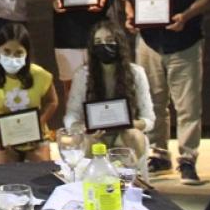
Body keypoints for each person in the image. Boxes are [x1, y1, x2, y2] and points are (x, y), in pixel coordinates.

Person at [119, 0, 210, 185]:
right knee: (153, 104)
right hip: (148, 44)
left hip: (185, 42)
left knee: (188, 106)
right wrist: (129, 15)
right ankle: (159, 155)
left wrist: (187, 15)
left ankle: (188, 160)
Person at [63, 20, 155, 164]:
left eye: (109, 40)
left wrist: (130, 124)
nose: (104, 45)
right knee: (88, 141)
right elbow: (71, 115)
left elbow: (149, 119)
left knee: (134, 135)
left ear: (120, 44)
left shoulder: (136, 73)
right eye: (98, 42)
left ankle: (134, 176)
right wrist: (81, 128)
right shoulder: (82, 75)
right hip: (95, 135)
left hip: (124, 134)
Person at [0, 23, 58, 163]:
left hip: (35, 136)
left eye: (18, 53)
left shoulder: (41, 75)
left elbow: (52, 101)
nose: (12, 57)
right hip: (0, 138)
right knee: (3, 171)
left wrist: (39, 122)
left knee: (40, 169)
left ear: (27, 53)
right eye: (6, 51)